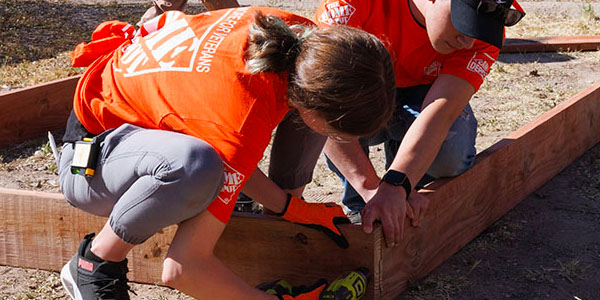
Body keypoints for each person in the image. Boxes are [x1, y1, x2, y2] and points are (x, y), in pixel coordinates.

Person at [58, 6, 395, 300]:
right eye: (334, 131)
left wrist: (289, 207)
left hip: (138, 117)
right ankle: (95, 263)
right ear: (320, 108)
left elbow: (236, 152)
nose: (333, 138)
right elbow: (183, 268)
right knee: (196, 167)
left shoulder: (300, 36)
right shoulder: (238, 120)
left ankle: (271, 219)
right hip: (89, 157)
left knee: (212, 162)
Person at [310, 0, 525, 247]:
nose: (467, 41)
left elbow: (441, 113)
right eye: (463, 24)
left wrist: (398, 183)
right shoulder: (352, 4)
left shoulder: (485, 27)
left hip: (422, 94)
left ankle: (406, 194)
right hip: (362, 91)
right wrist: (370, 188)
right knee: (332, 104)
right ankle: (360, 205)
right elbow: (318, 106)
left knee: (452, 150)